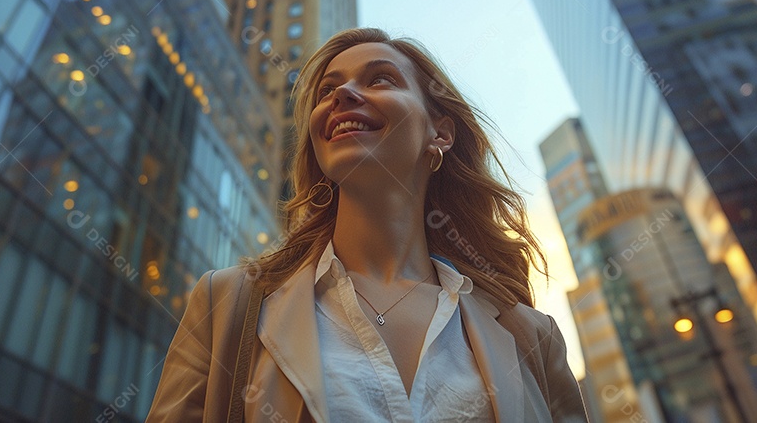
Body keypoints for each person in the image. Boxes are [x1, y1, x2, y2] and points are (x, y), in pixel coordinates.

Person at [145, 27, 588, 422]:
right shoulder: (227, 304)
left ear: (441, 134)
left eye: (380, 78)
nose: (341, 95)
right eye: (328, 90)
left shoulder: (530, 336)